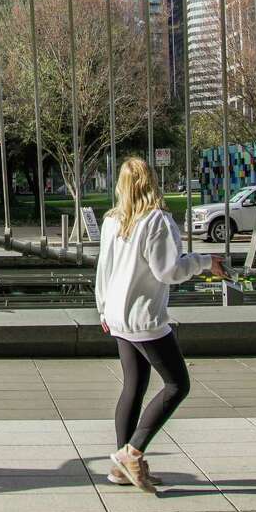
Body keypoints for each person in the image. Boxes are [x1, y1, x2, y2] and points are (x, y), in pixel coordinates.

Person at [95, 157, 226, 492]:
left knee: (133, 385)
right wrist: (205, 262)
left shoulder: (113, 220)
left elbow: (103, 269)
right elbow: (168, 271)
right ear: (151, 181)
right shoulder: (157, 220)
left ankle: (121, 467)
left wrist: (102, 309)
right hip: (145, 318)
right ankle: (132, 452)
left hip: (118, 316)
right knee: (177, 385)